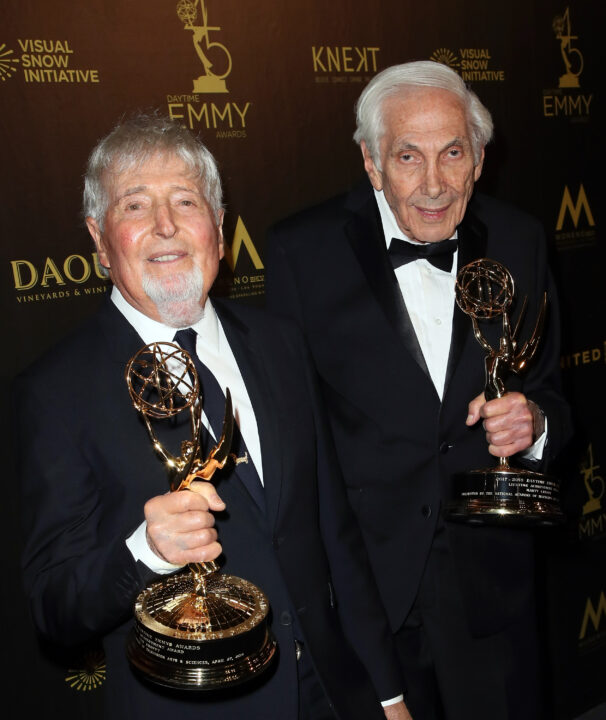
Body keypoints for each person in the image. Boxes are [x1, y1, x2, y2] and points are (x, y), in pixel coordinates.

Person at [14, 113, 412, 720]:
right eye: (136, 206)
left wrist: (388, 692)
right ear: (99, 239)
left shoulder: (281, 343)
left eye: (185, 201)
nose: (166, 226)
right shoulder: (55, 390)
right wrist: (144, 550)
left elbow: (337, 534)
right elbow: (55, 608)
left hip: (334, 695)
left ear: (219, 230)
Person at [265, 61, 572, 720]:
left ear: (479, 159)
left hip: (492, 586)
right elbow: (295, 444)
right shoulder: (301, 253)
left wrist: (535, 423)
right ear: (371, 162)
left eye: (452, 153)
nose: (433, 184)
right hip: (370, 602)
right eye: (408, 157)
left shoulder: (520, 239)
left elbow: (552, 395)